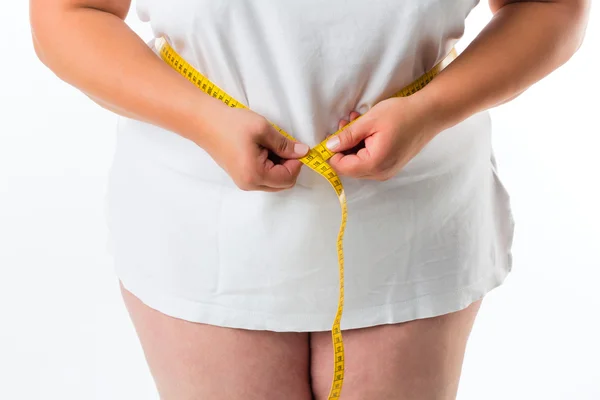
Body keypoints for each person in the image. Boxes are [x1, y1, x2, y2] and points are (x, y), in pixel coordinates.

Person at [30, 0, 589, 399]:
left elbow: (554, 8)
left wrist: (432, 109)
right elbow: (66, 14)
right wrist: (202, 119)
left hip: (415, 208)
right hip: (201, 210)